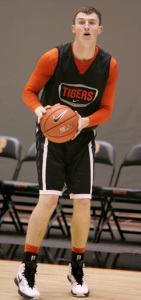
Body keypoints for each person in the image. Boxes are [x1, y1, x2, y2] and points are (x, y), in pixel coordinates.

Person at [14, 6, 118, 299]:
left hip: (83, 138)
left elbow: (106, 110)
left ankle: (77, 268)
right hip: (52, 139)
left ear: (99, 30)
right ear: (73, 28)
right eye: (81, 22)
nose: (87, 27)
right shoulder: (53, 57)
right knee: (48, 200)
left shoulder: (109, 65)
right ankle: (27, 269)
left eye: (92, 23)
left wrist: (84, 121)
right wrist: (39, 110)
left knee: (83, 205)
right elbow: (29, 91)